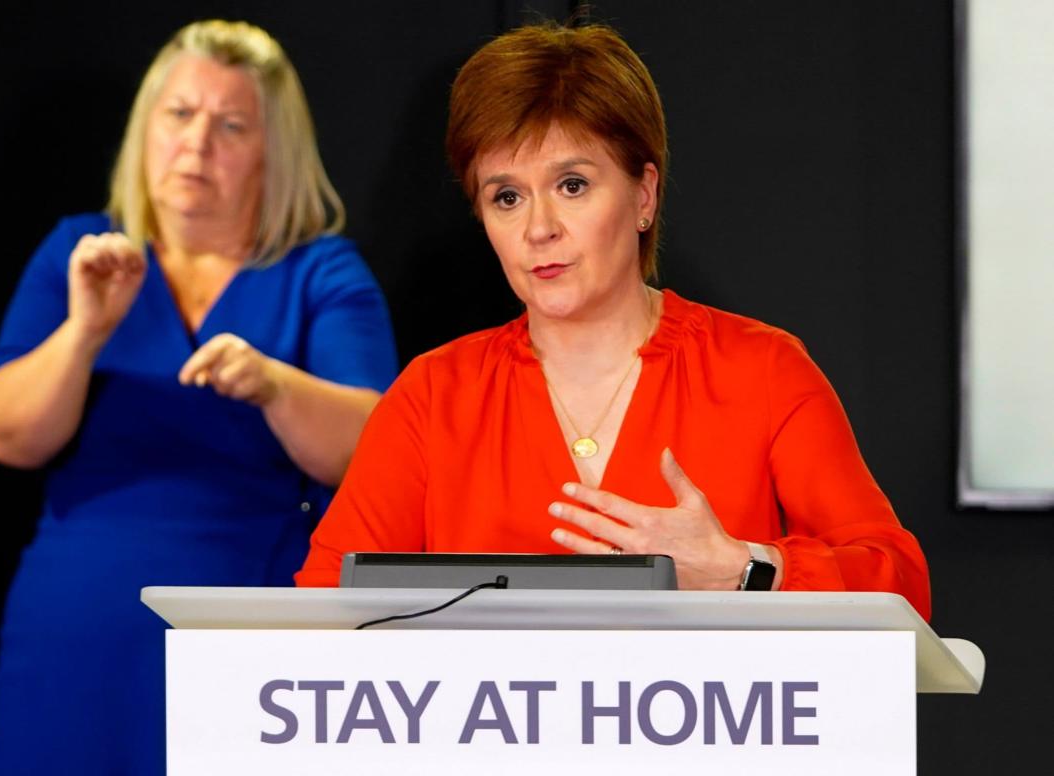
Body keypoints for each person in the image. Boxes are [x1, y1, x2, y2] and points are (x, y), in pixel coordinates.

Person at [295, 23, 930, 621]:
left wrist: (742, 569)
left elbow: (900, 583)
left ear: (644, 195)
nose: (538, 228)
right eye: (506, 196)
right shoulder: (433, 397)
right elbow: (321, 613)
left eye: (572, 184)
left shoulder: (762, 370)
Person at [0, 20, 396, 774]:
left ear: (274, 152)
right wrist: (83, 332)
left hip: (254, 646)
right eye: (179, 115)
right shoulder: (82, 251)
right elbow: (10, 436)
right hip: (75, 638)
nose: (196, 145)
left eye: (230, 125)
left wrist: (274, 384)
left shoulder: (322, 273)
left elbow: (375, 448)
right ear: (146, 128)